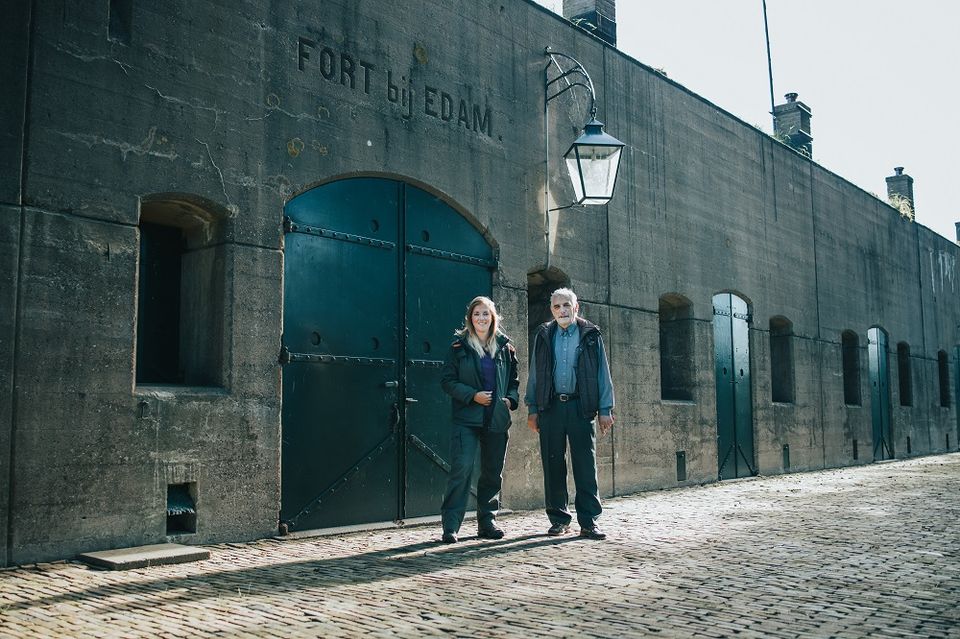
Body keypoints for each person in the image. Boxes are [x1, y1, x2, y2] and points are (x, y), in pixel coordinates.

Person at [525, 287, 615, 540]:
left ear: (576, 307)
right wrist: (533, 408)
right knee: (553, 465)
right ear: (552, 310)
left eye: (566, 305)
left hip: (580, 407)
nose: (562, 310)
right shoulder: (543, 335)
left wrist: (605, 409)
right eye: (557, 307)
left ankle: (588, 521)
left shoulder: (590, 334)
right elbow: (535, 373)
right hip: (550, 407)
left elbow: (602, 374)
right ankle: (558, 518)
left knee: (585, 466)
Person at [439, 296, 520, 543]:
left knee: (492, 473)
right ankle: (451, 526)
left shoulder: (505, 346)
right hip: (466, 419)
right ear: (470, 318)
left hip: (496, 419)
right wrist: (472, 396)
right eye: (477, 314)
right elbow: (447, 382)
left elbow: (514, 380)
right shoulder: (458, 347)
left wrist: (510, 400)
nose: (481, 318)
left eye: (486, 313)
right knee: (461, 469)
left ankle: (488, 523)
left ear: (492, 317)